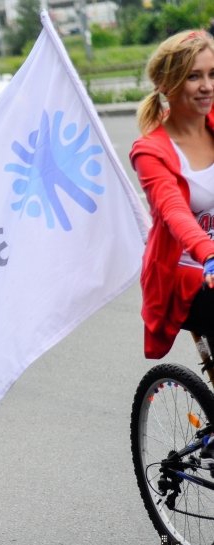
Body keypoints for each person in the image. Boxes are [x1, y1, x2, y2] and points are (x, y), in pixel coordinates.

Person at [130, 30, 214, 361]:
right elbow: (174, 211)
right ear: (168, 84)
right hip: (185, 276)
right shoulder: (151, 152)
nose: (207, 85)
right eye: (194, 76)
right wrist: (208, 254)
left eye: (212, 74)